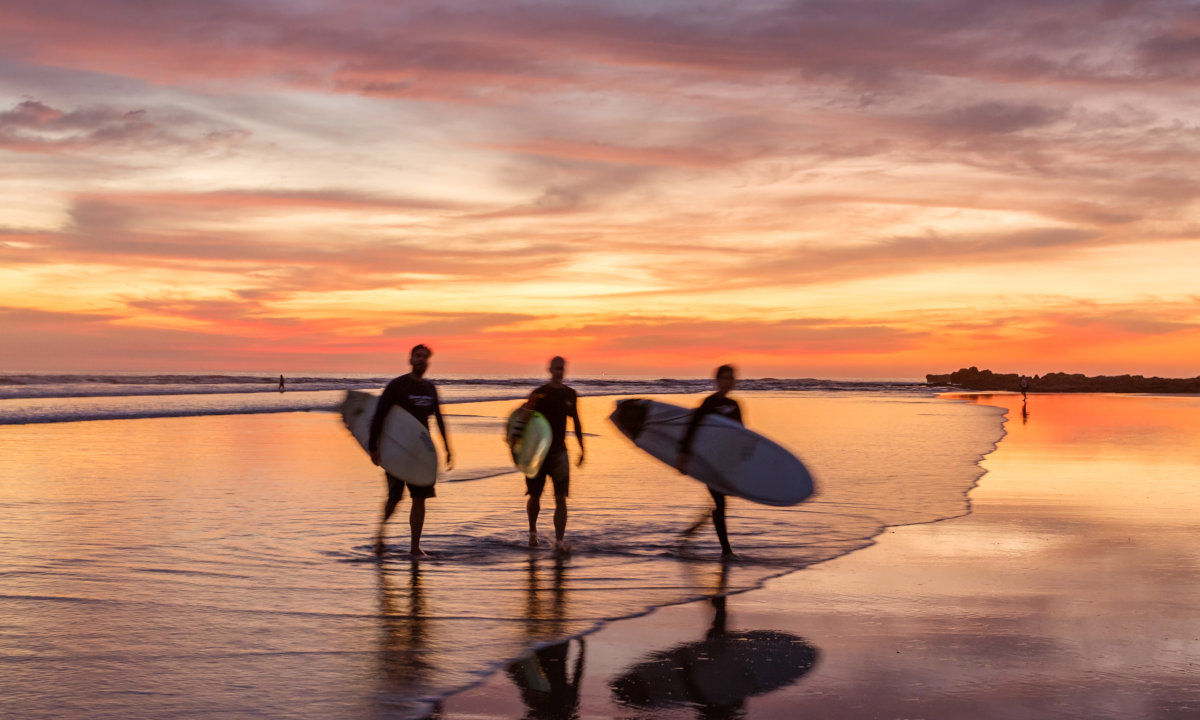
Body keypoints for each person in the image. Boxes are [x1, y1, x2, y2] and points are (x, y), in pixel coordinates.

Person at [368, 344, 453, 557]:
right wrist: (373, 446)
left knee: (420, 498)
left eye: (425, 357)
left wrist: (447, 448)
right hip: (397, 451)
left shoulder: (430, 388)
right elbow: (379, 415)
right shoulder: (397, 386)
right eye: (418, 356)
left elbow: (439, 419)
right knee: (395, 498)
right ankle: (380, 533)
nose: (421, 360)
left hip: (420, 452)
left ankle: (415, 547)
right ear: (410, 359)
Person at [676, 364, 740, 558]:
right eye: (724, 378)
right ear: (717, 381)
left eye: (731, 378)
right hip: (709, 461)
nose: (728, 382)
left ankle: (693, 530)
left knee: (719, 503)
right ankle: (726, 551)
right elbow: (691, 429)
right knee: (720, 502)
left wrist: (741, 462)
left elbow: (741, 436)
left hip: (725, 462)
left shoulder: (735, 406)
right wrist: (683, 456)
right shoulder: (708, 403)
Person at [523, 356, 585, 551]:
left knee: (561, 498)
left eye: (562, 368)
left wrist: (583, 448)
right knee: (534, 496)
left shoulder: (570, 394)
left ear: (564, 370)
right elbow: (522, 419)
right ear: (549, 370)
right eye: (556, 368)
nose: (559, 372)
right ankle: (533, 533)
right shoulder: (539, 394)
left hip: (560, 453)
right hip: (538, 455)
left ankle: (559, 541)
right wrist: (518, 447)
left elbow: (576, 421)